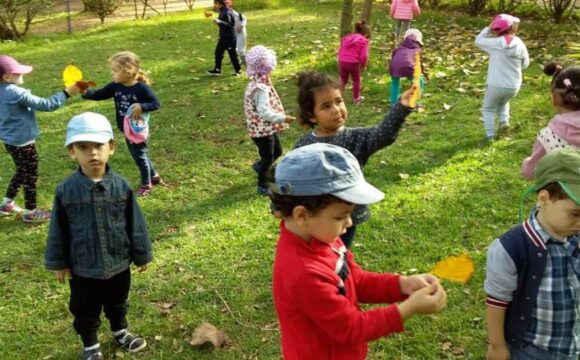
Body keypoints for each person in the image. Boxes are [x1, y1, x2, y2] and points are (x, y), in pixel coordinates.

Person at [270, 143, 447, 360]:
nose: (349, 222)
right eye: (340, 216)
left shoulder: (325, 239)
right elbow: (351, 328)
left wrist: (402, 284)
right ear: (302, 216)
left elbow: (356, 280)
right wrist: (408, 309)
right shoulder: (304, 273)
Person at [45, 112, 152, 360]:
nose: (92, 153)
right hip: (84, 267)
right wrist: (59, 263)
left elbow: (135, 223)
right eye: (83, 147)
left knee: (117, 301)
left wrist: (142, 254)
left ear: (111, 148)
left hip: (118, 262)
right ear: (72, 152)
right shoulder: (66, 190)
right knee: (85, 308)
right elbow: (58, 229)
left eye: (98, 146)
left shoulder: (122, 186)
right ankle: (90, 345)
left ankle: (120, 330)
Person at [293, 71, 415, 247]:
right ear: (311, 115)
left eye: (338, 101)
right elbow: (291, 178)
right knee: (318, 256)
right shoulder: (304, 145)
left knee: (339, 255)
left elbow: (383, 134)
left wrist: (401, 107)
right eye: (326, 107)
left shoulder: (356, 138)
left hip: (345, 217)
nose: (336, 110)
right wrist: (280, 207)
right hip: (316, 217)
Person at [486, 148, 580, 360]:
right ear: (545, 198)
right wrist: (497, 345)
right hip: (532, 349)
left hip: (571, 343)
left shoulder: (575, 235)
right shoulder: (511, 247)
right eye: (575, 213)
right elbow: (497, 301)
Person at [0, 55, 79, 222]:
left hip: (9, 141)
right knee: (30, 175)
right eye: (17, 72)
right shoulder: (15, 92)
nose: (22, 75)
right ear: (6, 77)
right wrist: (66, 93)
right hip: (24, 143)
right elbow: (47, 105)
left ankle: (7, 203)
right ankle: (31, 212)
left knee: (22, 171)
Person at [82, 51, 162, 197]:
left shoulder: (141, 89)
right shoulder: (115, 86)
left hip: (138, 130)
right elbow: (99, 94)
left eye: (114, 71)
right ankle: (154, 176)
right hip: (127, 129)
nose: (112, 74)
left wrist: (141, 106)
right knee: (139, 155)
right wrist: (85, 92)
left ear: (128, 72)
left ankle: (146, 184)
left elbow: (155, 104)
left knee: (139, 157)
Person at [244, 45, 295, 195]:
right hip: (261, 131)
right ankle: (262, 183)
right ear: (266, 68)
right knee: (269, 157)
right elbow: (264, 112)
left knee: (277, 150)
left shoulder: (256, 83)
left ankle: (260, 166)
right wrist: (282, 118)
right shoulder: (260, 89)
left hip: (263, 128)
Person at [475, 14, 529, 141]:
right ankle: (504, 122)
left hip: (495, 84)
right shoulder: (520, 43)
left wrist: (488, 28)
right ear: (514, 28)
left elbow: (478, 41)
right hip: (513, 85)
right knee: (504, 101)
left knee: (488, 108)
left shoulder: (494, 43)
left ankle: (490, 136)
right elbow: (525, 64)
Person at [521, 62, 580, 179]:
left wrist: (526, 163)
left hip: (564, 195)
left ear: (554, 99)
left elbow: (532, 171)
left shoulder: (548, 136)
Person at [389, 28, 427, 106]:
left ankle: (393, 101)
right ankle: (415, 99)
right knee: (419, 81)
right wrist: (423, 73)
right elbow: (418, 64)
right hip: (409, 67)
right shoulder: (417, 49)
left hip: (394, 66)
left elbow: (393, 56)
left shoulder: (399, 47)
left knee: (395, 82)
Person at [338, 20, 371, 105]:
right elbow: (364, 56)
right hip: (354, 63)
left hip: (342, 60)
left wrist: (340, 58)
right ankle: (356, 99)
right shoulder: (363, 41)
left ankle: (337, 96)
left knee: (343, 78)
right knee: (356, 80)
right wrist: (363, 65)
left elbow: (341, 49)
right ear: (366, 34)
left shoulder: (347, 38)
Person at [207, 0, 242, 76]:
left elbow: (229, 25)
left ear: (219, 4)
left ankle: (238, 70)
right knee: (218, 53)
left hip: (230, 39)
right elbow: (223, 24)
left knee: (233, 55)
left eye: (215, 3)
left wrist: (219, 22)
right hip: (223, 38)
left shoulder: (226, 12)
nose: (215, 5)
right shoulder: (222, 10)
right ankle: (217, 69)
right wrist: (218, 22)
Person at [227, 0, 248, 66]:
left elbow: (244, 18)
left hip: (241, 33)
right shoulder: (225, 14)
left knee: (241, 48)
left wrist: (241, 27)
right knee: (233, 47)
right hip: (233, 33)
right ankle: (235, 60)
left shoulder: (236, 14)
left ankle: (244, 61)